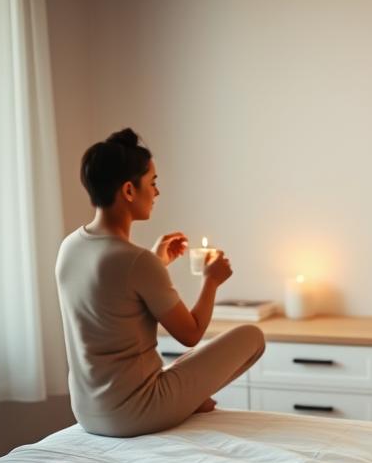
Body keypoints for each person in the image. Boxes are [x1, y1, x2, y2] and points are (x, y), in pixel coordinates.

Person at [55, 128, 264, 437]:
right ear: (128, 190)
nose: (157, 193)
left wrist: (157, 262)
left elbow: (114, 295)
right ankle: (183, 402)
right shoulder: (136, 261)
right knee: (252, 336)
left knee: (186, 363)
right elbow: (191, 334)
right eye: (152, 183)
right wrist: (211, 281)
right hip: (135, 413)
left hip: (87, 412)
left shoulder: (71, 246)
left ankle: (184, 400)